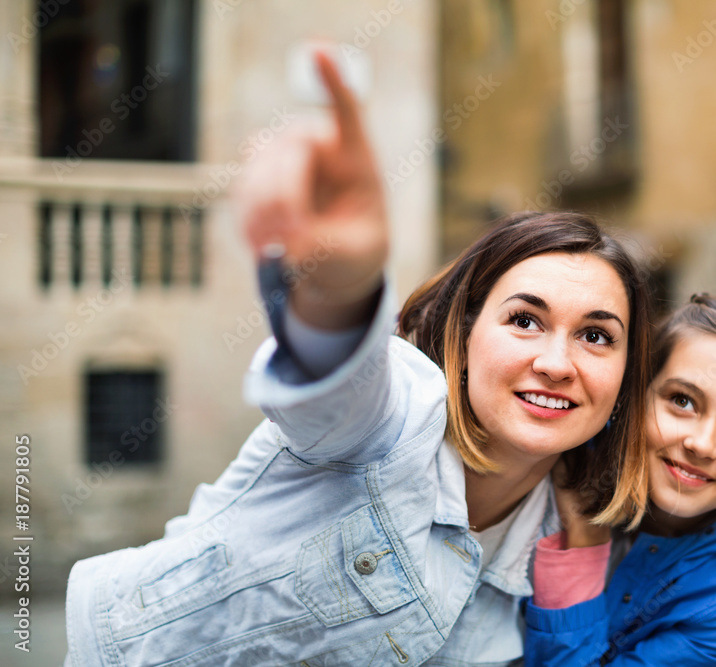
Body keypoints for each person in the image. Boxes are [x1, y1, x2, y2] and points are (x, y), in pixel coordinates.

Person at [63, 52, 653, 665]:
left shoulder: (568, 539)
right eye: (525, 320)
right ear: (465, 336)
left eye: (597, 336)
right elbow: (338, 377)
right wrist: (339, 287)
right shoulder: (395, 416)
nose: (558, 363)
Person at [523, 294, 716, 666]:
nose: (701, 444)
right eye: (682, 401)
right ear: (634, 398)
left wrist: (583, 542)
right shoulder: (563, 447)